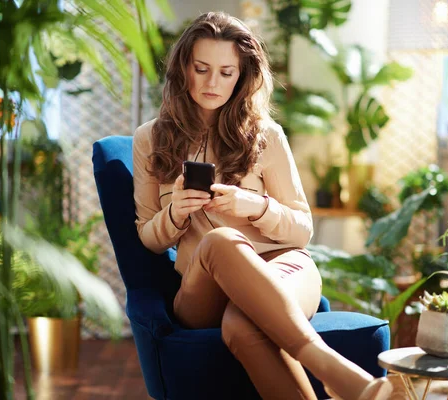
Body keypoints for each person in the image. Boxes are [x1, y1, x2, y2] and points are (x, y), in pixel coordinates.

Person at [132, 11, 392, 400]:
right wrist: (176, 213)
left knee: (243, 327)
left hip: (283, 266)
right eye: (201, 68)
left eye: (226, 72)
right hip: (204, 289)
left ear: (242, 75)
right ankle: (336, 372)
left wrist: (254, 206)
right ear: (183, 68)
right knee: (219, 241)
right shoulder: (150, 138)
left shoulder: (266, 136)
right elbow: (148, 236)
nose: (212, 83)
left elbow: (303, 229)